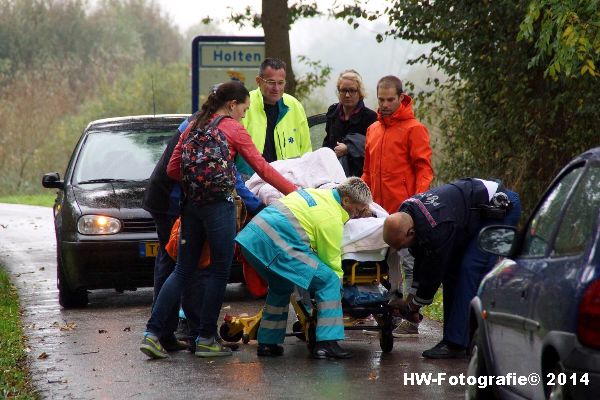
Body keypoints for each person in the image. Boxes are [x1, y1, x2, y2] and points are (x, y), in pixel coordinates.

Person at [140, 81, 297, 359]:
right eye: (244, 109)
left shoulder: (194, 125)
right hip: (219, 207)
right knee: (219, 271)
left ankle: (151, 334)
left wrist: (197, 181)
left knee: (182, 270)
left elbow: (173, 169)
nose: (245, 115)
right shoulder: (234, 129)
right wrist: (295, 193)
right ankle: (205, 339)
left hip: (190, 206)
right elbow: (261, 168)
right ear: (232, 105)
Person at [382, 178, 521, 359]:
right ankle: (457, 338)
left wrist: (413, 306)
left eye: (401, 246)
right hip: (473, 213)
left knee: (470, 269)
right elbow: (421, 259)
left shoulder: (437, 228)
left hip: (501, 208)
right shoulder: (409, 214)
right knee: (452, 274)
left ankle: (457, 343)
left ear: (410, 232)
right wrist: (410, 299)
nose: (403, 250)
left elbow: (434, 271)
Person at [235, 177, 373, 359]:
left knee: (281, 286)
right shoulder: (331, 217)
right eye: (356, 209)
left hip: (251, 239)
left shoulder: (314, 193)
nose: (355, 214)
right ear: (346, 200)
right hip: (276, 243)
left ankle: (268, 343)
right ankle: (326, 344)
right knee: (328, 280)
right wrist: (339, 289)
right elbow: (330, 261)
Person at [361, 75, 434, 337]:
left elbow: (424, 170)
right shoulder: (373, 129)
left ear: (401, 98)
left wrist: (417, 205)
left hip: (406, 213)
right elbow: (367, 172)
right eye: (381, 99)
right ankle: (389, 314)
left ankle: (413, 317)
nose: (385, 104)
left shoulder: (414, 128)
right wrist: (363, 203)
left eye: (390, 99)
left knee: (410, 263)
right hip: (378, 211)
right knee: (385, 263)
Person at [236, 57, 312, 179]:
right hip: (250, 181)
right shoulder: (245, 104)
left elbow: (306, 151)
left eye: (280, 83)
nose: (276, 88)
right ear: (258, 81)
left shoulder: (294, 105)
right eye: (271, 82)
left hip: (288, 180)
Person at [322, 70, 377, 177]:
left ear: (360, 92)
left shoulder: (370, 117)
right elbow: (327, 142)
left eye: (352, 90)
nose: (347, 95)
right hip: (333, 173)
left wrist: (349, 149)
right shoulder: (333, 112)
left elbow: (374, 151)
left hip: (360, 176)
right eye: (343, 90)